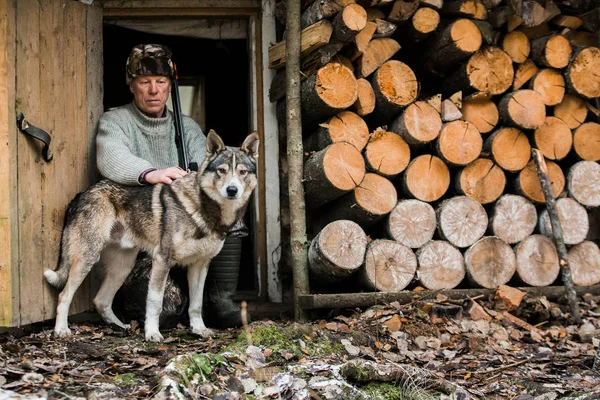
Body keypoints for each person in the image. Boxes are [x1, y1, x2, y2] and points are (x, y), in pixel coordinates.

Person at [96, 43, 247, 329]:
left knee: (229, 212)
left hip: (187, 235)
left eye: (161, 82)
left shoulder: (186, 125)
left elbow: (205, 163)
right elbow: (110, 157)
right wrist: (150, 173)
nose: (153, 90)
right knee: (165, 312)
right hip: (142, 237)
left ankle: (220, 298)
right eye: (145, 82)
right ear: (131, 85)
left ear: (169, 86)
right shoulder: (115, 120)